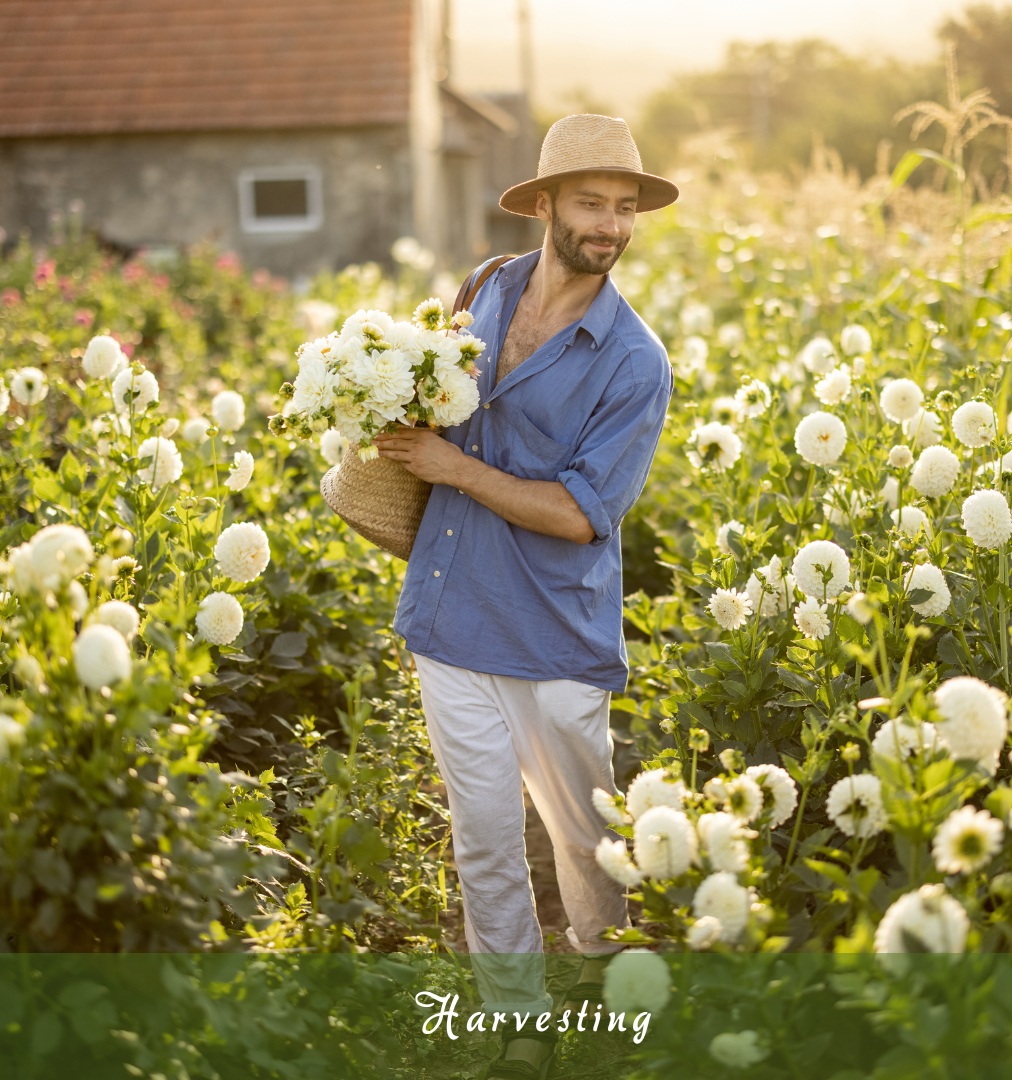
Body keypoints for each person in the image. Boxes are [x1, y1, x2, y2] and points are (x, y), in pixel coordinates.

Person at [374, 113, 678, 1078]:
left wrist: (450, 470)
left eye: (625, 208)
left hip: (552, 633)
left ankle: (610, 994)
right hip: (450, 610)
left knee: (588, 844)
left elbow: (583, 516)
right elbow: (438, 401)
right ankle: (515, 1021)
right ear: (544, 204)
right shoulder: (485, 291)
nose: (611, 225)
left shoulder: (634, 361)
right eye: (592, 203)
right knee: (486, 840)